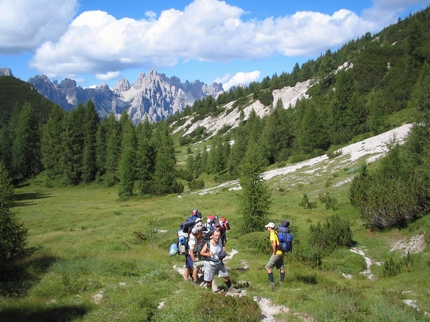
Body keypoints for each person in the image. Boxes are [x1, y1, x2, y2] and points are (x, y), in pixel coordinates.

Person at [264, 222, 285, 290]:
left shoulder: (272, 233)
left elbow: (274, 244)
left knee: (268, 267)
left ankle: (272, 285)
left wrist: (274, 253)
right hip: (281, 252)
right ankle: (281, 283)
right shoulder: (276, 232)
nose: (267, 228)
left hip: (277, 253)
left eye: (268, 227)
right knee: (281, 268)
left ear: (270, 227)